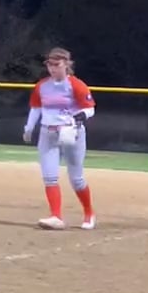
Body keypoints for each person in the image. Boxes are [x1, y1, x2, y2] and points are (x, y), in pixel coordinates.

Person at [22, 47, 96, 230]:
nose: (52, 68)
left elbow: (89, 108)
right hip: (48, 133)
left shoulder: (76, 85)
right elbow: (36, 108)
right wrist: (29, 127)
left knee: (76, 178)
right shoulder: (42, 86)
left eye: (57, 64)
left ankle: (89, 213)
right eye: (50, 65)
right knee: (49, 177)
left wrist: (80, 116)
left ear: (66, 64)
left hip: (71, 133)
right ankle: (56, 216)